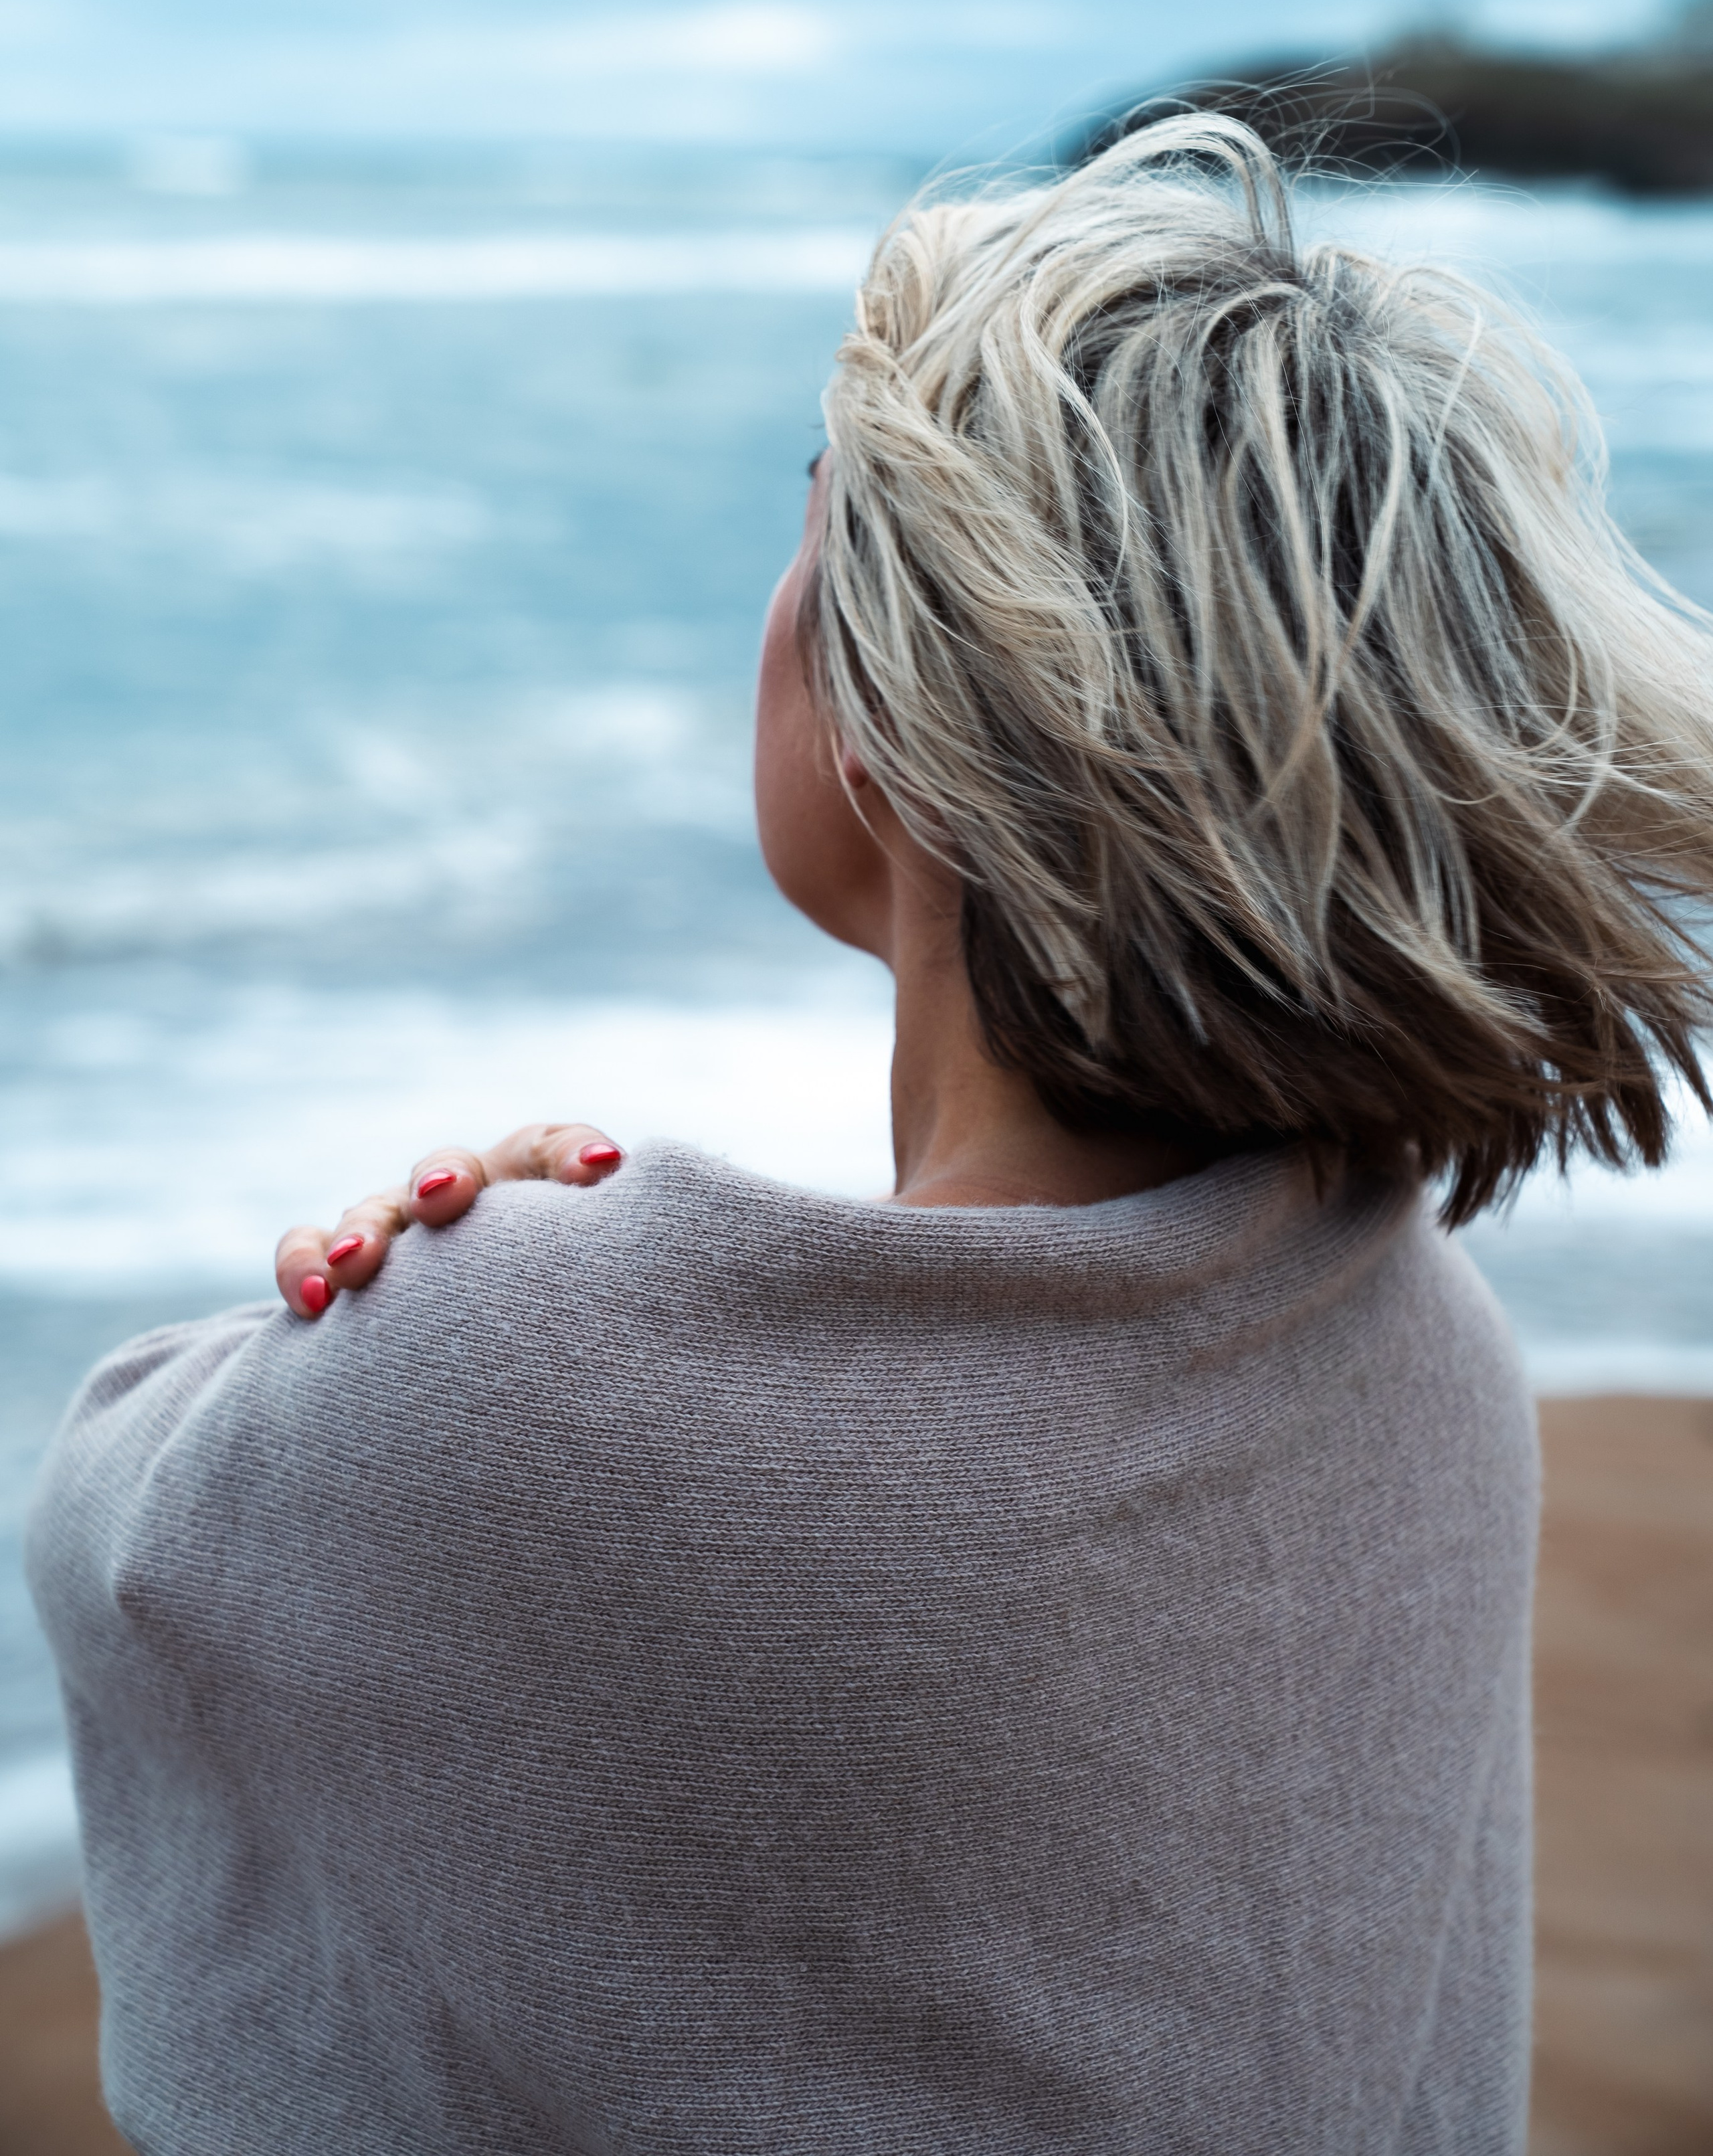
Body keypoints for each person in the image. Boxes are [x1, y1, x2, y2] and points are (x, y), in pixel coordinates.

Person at [28, 116, 1713, 2156]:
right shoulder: (1420, 1343)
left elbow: (115, 1536)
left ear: (902, 717)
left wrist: (395, 1312)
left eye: (812, 525)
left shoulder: (523, 1372)